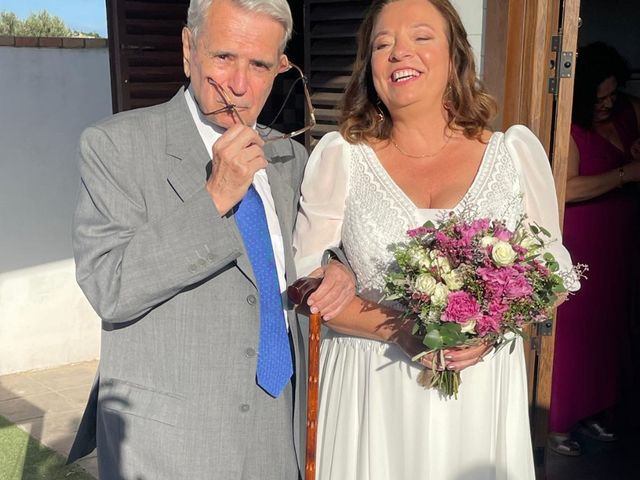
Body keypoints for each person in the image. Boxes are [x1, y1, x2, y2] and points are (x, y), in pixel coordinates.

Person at [66, 0, 354, 478]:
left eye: (259, 64)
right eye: (224, 57)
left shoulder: (289, 158)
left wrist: (340, 265)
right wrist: (214, 196)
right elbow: (109, 287)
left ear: (280, 67)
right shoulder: (116, 146)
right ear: (188, 49)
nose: (238, 85)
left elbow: (316, 248)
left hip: (280, 433)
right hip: (169, 446)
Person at [293, 0, 579, 478]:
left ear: (456, 57)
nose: (399, 52)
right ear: (370, 70)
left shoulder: (513, 154)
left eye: (421, 38)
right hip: (373, 394)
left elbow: (555, 273)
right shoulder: (341, 157)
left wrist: (490, 329)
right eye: (382, 45)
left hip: (478, 394)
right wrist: (400, 329)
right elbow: (306, 285)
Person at [549, 42, 640, 456]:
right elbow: (565, 190)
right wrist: (625, 173)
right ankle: (558, 419)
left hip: (622, 236)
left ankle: (595, 409)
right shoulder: (568, 129)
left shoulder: (629, 112)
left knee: (609, 328)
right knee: (575, 330)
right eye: (597, 98)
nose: (606, 105)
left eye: (612, 95)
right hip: (584, 239)